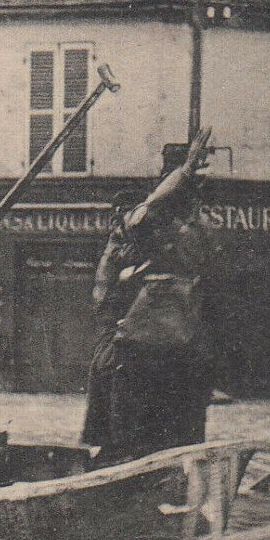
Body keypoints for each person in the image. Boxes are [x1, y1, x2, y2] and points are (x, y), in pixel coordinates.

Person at [100, 137, 218, 463]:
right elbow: (146, 214)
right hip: (145, 337)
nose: (197, 185)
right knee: (134, 440)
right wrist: (184, 172)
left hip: (185, 339)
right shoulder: (146, 219)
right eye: (190, 179)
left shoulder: (202, 226)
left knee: (185, 440)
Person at [82, 189, 148, 448]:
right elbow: (110, 286)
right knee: (113, 373)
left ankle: (108, 440)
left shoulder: (118, 242)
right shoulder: (122, 245)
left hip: (112, 320)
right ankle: (114, 443)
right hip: (115, 321)